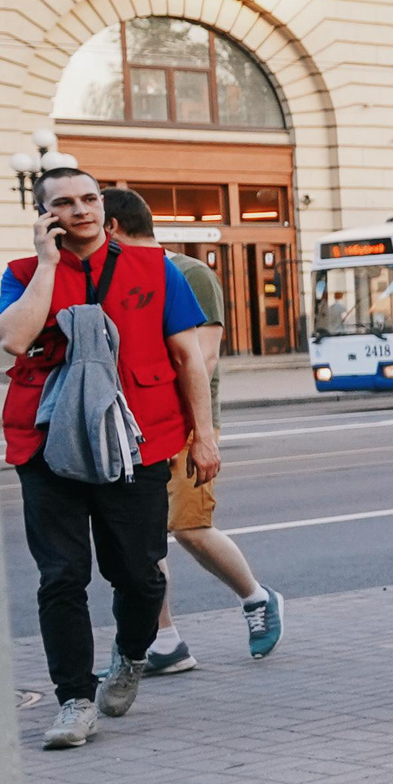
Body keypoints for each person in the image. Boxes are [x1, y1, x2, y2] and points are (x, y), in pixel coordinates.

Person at [0, 164, 221, 749]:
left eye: (89, 198)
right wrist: (47, 265)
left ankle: (131, 655)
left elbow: (188, 358)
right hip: (47, 443)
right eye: (64, 203)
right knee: (61, 576)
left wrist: (204, 435)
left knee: (140, 575)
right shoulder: (23, 274)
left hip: (136, 441)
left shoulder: (156, 269)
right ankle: (74, 699)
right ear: (45, 216)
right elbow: (14, 338)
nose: (81, 210)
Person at [102, 189, 283, 670]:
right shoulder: (106, 276)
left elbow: (203, 356)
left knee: (189, 528)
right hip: (132, 426)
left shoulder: (189, 273)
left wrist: (198, 432)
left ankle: (257, 597)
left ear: (111, 227)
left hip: (183, 423)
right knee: (145, 537)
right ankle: (164, 643)